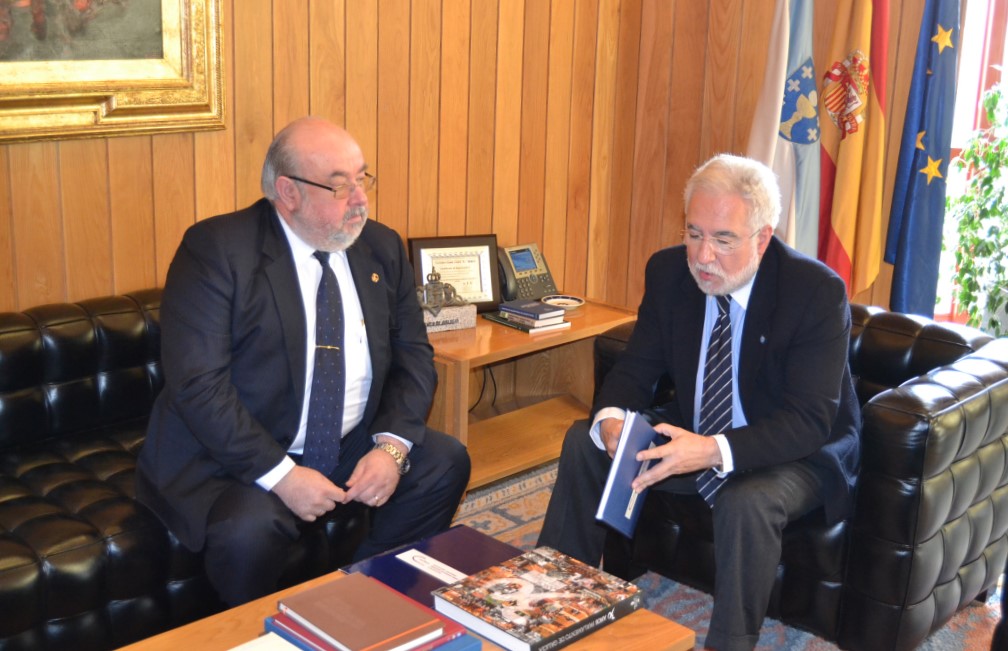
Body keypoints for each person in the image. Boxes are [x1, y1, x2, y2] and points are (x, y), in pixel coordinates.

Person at [136, 116, 471, 606]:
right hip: (237, 455)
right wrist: (282, 476)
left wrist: (392, 447)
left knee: (443, 462)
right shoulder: (217, 251)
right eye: (339, 186)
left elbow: (414, 354)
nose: (360, 199)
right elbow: (198, 384)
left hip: (348, 440)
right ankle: (261, 633)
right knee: (248, 530)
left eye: (362, 178)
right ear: (288, 192)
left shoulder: (380, 247)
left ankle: (368, 599)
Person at [537, 154, 861, 651]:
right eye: (694, 233)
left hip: (797, 451)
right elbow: (636, 367)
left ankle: (729, 643)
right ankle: (552, 602)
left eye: (724, 240)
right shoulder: (670, 272)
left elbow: (809, 421)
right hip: (698, 425)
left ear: (763, 238)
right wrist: (611, 420)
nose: (703, 256)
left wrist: (710, 450)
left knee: (746, 499)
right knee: (585, 441)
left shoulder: (814, 291)